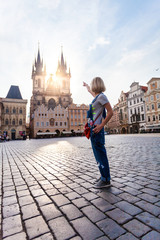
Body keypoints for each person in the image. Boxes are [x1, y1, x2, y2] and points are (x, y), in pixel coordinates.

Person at [83, 77, 113, 188]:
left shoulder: (102, 96)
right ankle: (103, 176)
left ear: (96, 84)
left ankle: (106, 180)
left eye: (91, 84)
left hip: (97, 130)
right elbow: (92, 93)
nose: (91, 86)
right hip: (93, 130)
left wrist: (101, 125)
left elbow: (110, 112)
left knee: (101, 155)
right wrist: (87, 87)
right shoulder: (97, 97)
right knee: (97, 156)